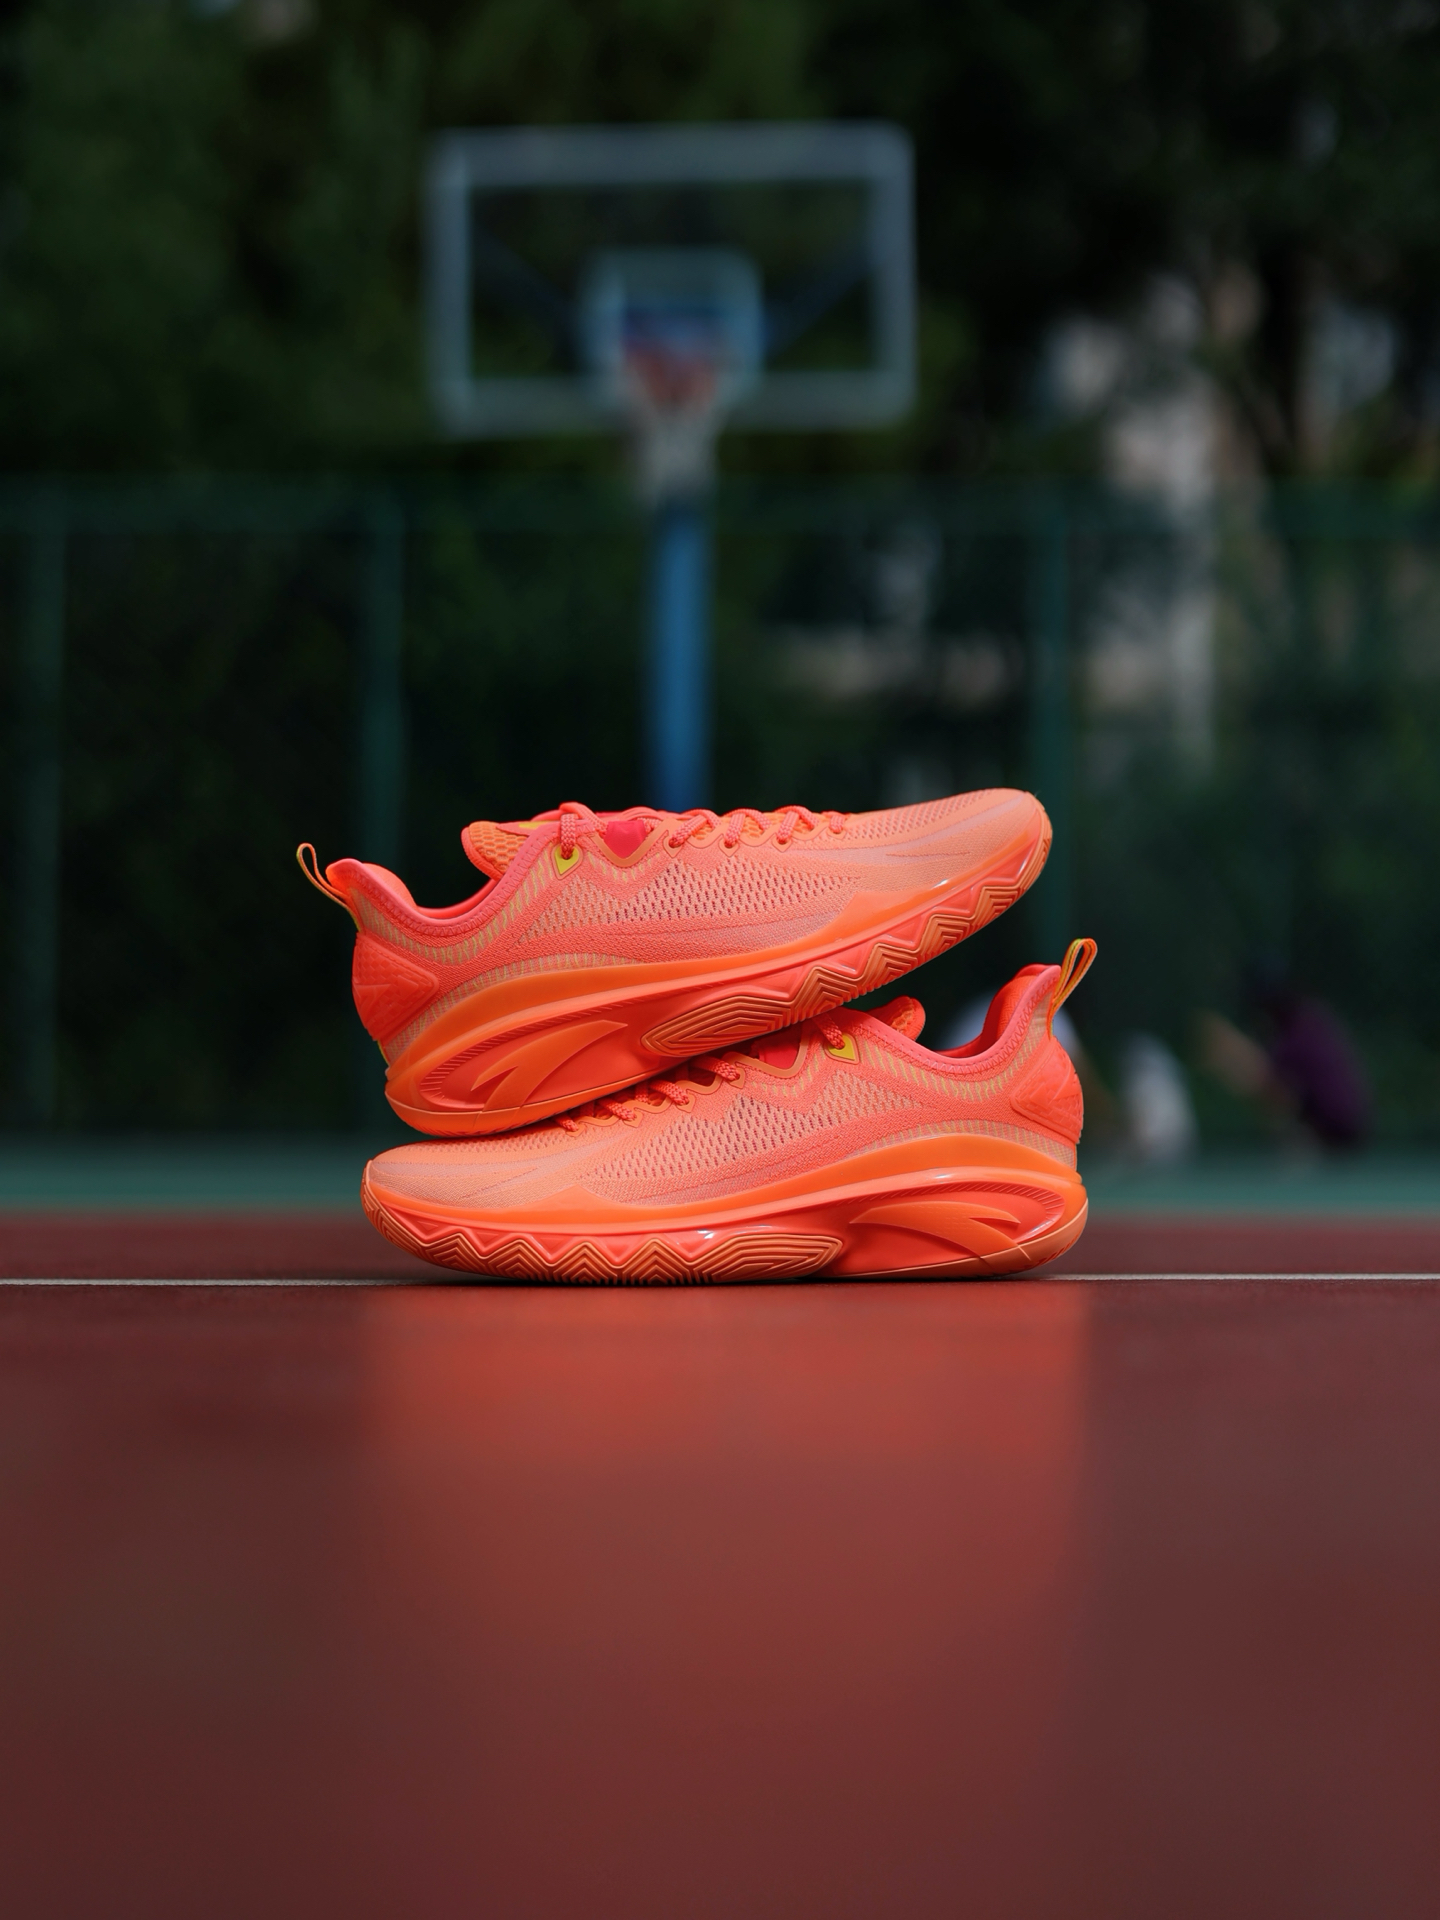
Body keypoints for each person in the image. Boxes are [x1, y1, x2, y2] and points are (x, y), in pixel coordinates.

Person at [1199, 955, 1371, 1148]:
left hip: (1335, 1134)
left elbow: (1270, 1088)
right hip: (1347, 1128)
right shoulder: (1311, 1018)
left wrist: (1231, 1054)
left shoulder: (1297, 1033)